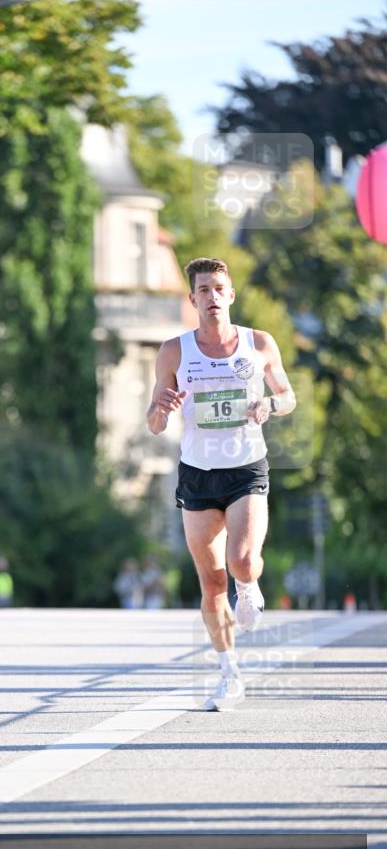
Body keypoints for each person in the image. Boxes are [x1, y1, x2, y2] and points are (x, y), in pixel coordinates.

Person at [146, 257, 296, 711]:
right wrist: (163, 408)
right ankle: (229, 674)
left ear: (231, 295)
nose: (212, 297)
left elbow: (289, 396)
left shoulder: (259, 344)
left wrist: (270, 404)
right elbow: (153, 424)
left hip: (247, 467)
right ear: (192, 300)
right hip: (196, 474)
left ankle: (249, 586)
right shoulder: (174, 352)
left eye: (218, 288)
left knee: (242, 560)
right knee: (212, 584)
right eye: (203, 290)